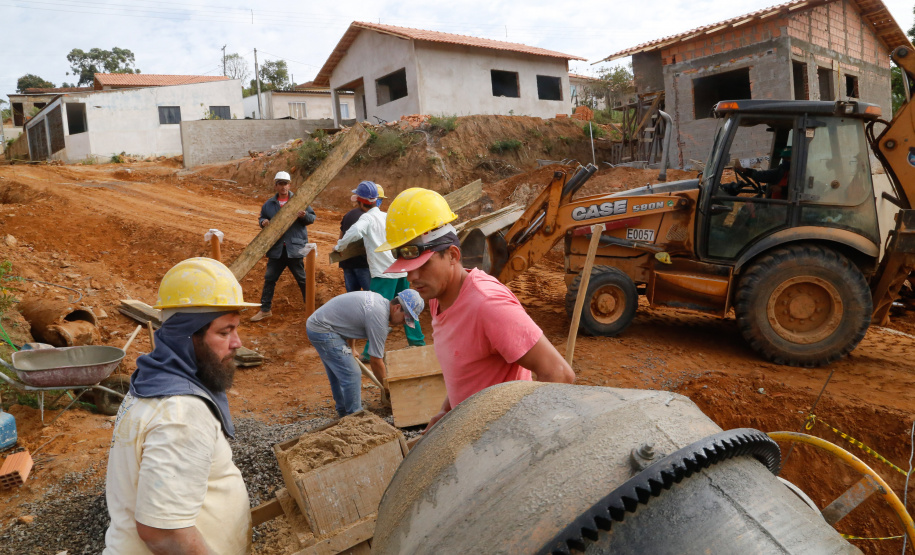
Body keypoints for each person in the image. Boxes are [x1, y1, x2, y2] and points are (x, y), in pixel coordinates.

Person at [375, 188, 575, 434]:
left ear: (452, 255)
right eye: (407, 266)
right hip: (471, 437)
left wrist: (524, 441)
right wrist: (447, 412)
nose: (412, 277)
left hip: (500, 444)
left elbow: (559, 374)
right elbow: (467, 370)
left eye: (423, 265)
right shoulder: (439, 297)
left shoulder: (487, 305)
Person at [104, 257, 261, 555]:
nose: (237, 343)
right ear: (187, 337)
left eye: (236, 330)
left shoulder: (153, 381)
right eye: (224, 332)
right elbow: (164, 533)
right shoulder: (181, 412)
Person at [334, 181, 425, 357]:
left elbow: (353, 233)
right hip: (401, 270)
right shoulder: (386, 216)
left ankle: (370, 353)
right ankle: (417, 341)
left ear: (360, 201)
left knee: (377, 312)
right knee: (408, 307)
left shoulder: (366, 219)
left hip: (383, 274)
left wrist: (339, 246)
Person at [306, 289, 425, 417]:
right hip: (322, 329)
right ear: (397, 307)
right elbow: (375, 361)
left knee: (339, 371)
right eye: (405, 318)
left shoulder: (379, 300)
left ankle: (343, 411)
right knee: (351, 373)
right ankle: (354, 416)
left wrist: (351, 347)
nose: (404, 323)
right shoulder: (379, 319)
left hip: (321, 323)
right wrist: (388, 388)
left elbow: (351, 322)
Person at [250, 170, 317, 322]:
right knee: (269, 279)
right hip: (277, 249)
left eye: (285, 184)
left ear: (289, 185)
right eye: (280, 184)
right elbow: (262, 217)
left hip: (294, 248)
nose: (283, 187)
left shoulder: (300, 201)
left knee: (302, 279)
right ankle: (265, 310)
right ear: (276, 186)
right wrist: (263, 223)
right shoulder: (269, 204)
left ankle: (311, 310)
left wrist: (304, 216)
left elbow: (312, 218)